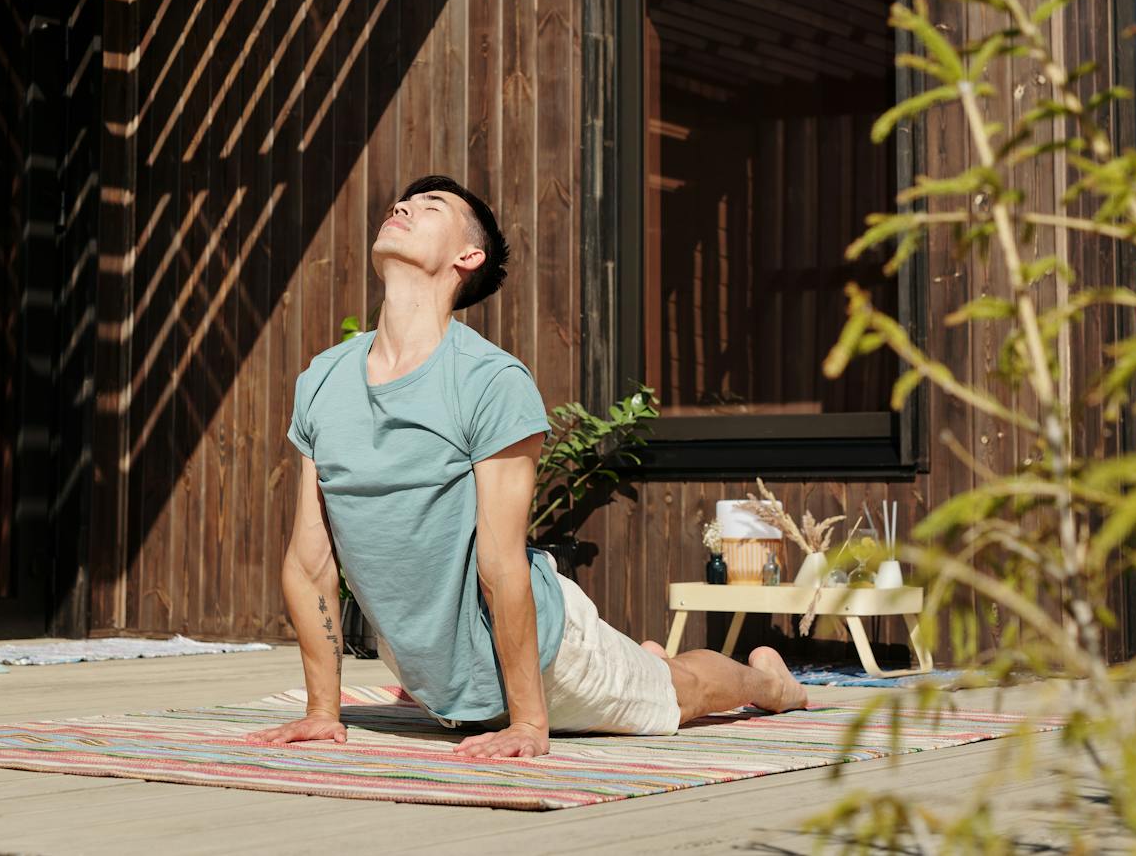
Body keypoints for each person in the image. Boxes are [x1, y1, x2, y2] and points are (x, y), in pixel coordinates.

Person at [245, 175, 807, 759]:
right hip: (435, 673)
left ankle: (768, 681)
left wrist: (529, 723)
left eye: (430, 205)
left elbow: (500, 561)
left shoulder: (490, 382)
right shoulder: (322, 380)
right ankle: (646, 659)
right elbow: (310, 563)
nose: (404, 206)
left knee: (679, 693)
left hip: (550, 655)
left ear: (469, 256)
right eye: (402, 202)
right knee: (647, 671)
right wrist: (321, 711)